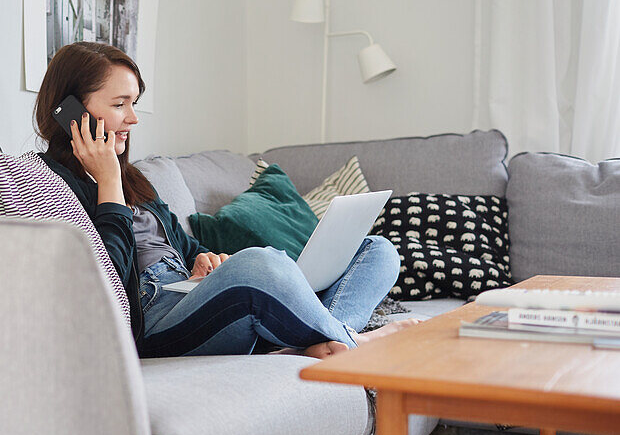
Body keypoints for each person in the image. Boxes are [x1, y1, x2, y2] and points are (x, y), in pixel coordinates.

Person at [35, 41, 411, 359]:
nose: (133, 118)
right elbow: (105, 282)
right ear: (71, 112)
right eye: (120, 104)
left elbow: (184, 248)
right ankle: (350, 343)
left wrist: (202, 259)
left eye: (134, 103)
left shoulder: (135, 180)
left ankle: (321, 338)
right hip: (154, 319)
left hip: (189, 294)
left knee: (377, 251)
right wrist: (108, 183)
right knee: (261, 263)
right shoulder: (48, 182)